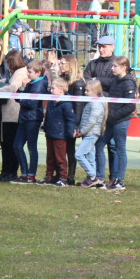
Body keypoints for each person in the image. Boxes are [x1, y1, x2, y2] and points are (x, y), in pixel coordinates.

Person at [99, 56, 136, 190]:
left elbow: (130, 106)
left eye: (115, 66)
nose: (112, 68)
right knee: (99, 144)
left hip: (120, 122)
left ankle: (120, 181)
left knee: (120, 150)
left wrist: (113, 116)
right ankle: (100, 178)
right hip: (111, 121)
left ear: (123, 68)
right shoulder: (115, 80)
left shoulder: (129, 83)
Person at [0, 50, 29, 182]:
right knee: (5, 144)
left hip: (13, 115)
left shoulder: (21, 73)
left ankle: (11, 171)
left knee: (10, 145)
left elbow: (12, 88)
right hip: (7, 113)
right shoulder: (15, 73)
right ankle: (6, 171)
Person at [13, 60, 48, 183]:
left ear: (38, 73)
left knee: (31, 147)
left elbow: (31, 103)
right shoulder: (30, 83)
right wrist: (22, 88)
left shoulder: (38, 85)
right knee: (17, 145)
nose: (27, 75)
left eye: (30, 72)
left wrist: (22, 99)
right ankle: (24, 173)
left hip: (32, 119)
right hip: (24, 117)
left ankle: (31, 174)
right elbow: (17, 98)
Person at [42, 78, 76, 186]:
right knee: (50, 157)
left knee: (60, 158)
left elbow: (70, 119)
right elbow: (47, 116)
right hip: (50, 133)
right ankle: (49, 176)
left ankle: (63, 178)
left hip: (60, 135)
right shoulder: (51, 102)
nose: (51, 90)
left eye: (53, 88)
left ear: (61, 89)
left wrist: (70, 133)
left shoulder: (66, 103)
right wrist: (45, 127)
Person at [75, 78, 107, 188]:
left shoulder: (96, 104)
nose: (85, 93)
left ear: (95, 91)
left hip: (91, 134)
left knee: (78, 155)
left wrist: (82, 131)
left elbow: (92, 121)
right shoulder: (92, 102)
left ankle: (93, 176)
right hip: (88, 133)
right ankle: (92, 180)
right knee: (90, 157)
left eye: (87, 91)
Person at [59, 55, 86, 184]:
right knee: (61, 149)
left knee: (70, 150)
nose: (60, 65)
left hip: (71, 121)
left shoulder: (78, 83)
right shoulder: (63, 79)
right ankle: (60, 174)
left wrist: (75, 125)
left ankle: (70, 176)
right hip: (62, 119)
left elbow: (78, 106)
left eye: (63, 63)